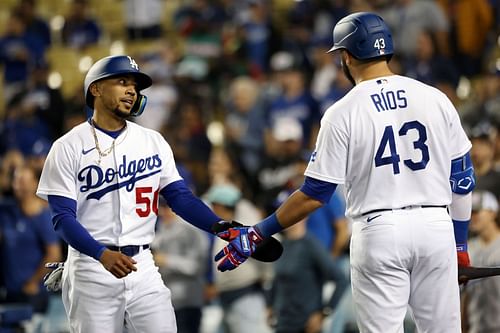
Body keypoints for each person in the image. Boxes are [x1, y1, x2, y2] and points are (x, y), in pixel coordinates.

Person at [213, 12, 475, 333]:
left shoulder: (343, 111)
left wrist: (259, 231)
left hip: (380, 231)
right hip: (435, 227)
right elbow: (462, 178)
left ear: (347, 56)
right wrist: (460, 244)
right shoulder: (435, 98)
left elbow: (314, 195)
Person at [36, 55, 227, 333]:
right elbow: (62, 218)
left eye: (135, 87)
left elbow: (181, 198)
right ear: (96, 89)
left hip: (142, 265)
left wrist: (222, 227)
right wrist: (100, 254)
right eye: (122, 82)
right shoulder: (67, 146)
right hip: (91, 268)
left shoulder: (152, 141)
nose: (131, 91)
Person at [0, 163, 62, 331]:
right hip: (9, 291)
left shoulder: (43, 217)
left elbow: (54, 254)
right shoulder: (7, 211)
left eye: (24, 181)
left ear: (35, 183)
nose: (19, 185)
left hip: (32, 294)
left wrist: (33, 282)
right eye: (17, 180)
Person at [151, 199, 210, 333]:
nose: (162, 211)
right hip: (166, 303)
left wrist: (166, 260)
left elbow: (196, 266)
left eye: (166, 206)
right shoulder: (162, 229)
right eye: (161, 207)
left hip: (187, 303)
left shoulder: (192, 229)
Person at [462, 190, 500, 333]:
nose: (473, 217)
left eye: (477, 212)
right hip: (477, 327)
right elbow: (464, 295)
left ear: (492, 212)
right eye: (470, 213)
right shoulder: (468, 249)